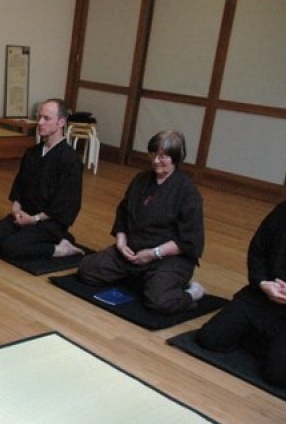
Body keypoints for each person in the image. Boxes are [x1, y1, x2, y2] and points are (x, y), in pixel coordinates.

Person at [77, 130, 206, 314]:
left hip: (168, 258)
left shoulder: (187, 192)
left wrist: (154, 253)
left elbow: (188, 241)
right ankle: (142, 277)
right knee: (87, 270)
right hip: (133, 251)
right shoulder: (141, 179)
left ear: (176, 158)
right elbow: (123, 212)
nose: (155, 161)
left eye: (163, 157)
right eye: (153, 154)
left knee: (159, 300)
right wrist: (121, 243)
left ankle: (193, 292)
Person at [195, 185, 286, 387]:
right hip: (263, 296)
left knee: (280, 375)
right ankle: (273, 341)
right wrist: (262, 283)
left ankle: (278, 345)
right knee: (210, 339)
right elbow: (257, 251)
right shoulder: (285, 210)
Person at [0, 98, 85, 259]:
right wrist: (16, 210)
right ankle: (39, 237)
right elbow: (20, 185)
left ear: (61, 122)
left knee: (11, 247)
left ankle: (62, 248)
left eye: (47, 118)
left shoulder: (70, 159)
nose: (40, 123)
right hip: (25, 214)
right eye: (40, 117)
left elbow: (66, 203)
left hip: (49, 221)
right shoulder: (32, 152)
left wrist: (35, 219)